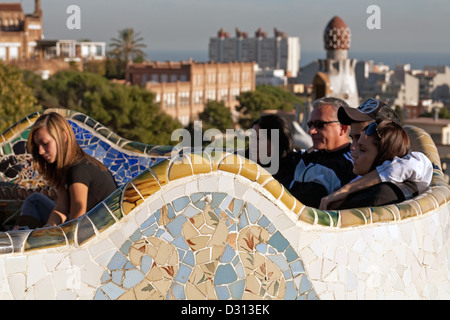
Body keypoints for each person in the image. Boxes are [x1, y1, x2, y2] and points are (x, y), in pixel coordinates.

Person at [319, 98, 433, 209]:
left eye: (360, 141)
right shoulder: (354, 167)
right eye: (352, 139)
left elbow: (412, 164)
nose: (352, 147)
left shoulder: (383, 191)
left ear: (387, 139)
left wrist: (346, 190)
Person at [15, 112, 117, 229]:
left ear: (63, 137)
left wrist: (46, 239)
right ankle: (22, 235)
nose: (40, 151)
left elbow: (77, 221)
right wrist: (46, 230)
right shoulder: (70, 167)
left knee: (33, 202)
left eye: (45, 143)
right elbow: (61, 209)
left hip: (95, 231)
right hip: (85, 225)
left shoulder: (79, 171)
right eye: (38, 146)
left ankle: (21, 239)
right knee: (34, 200)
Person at [324, 120, 418, 209]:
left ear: (383, 156)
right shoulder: (401, 185)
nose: (353, 154)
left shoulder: (379, 195)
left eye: (362, 150)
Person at [288, 97, 356, 208]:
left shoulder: (352, 166)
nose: (311, 131)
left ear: (342, 128)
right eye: (310, 124)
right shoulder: (308, 156)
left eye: (319, 124)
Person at [249, 114, 300, 189]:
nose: (252, 144)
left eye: (258, 139)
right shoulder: (243, 161)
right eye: (251, 138)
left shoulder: (295, 173)